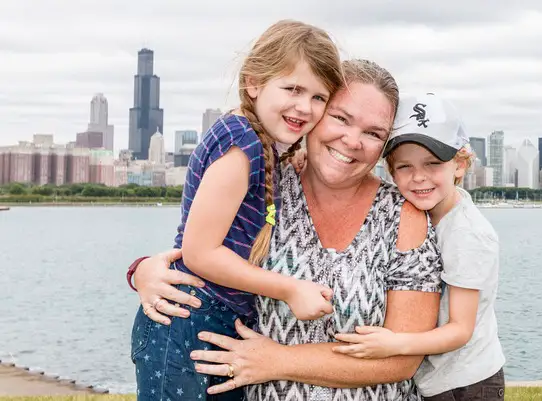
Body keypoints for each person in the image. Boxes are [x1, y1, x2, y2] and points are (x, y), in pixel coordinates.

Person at [129, 59, 443, 400]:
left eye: (373, 133)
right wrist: (145, 271)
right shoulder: (265, 183)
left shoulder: (403, 216)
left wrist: (280, 360)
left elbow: (402, 360)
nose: (352, 140)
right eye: (341, 118)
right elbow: (202, 250)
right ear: (314, 113)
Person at [127, 19, 343, 400]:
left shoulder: (267, 148)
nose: (304, 107)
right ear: (254, 82)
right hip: (187, 318)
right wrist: (290, 289)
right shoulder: (240, 143)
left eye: (318, 98)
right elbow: (200, 252)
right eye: (292, 88)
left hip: (215, 318)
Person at [330, 93, 506, 400]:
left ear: (460, 164)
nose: (419, 177)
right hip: (435, 379)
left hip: (466, 384)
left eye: (433, 163)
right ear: (390, 169)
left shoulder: (467, 235)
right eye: (405, 167)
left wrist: (394, 344)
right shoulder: (421, 211)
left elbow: (460, 329)